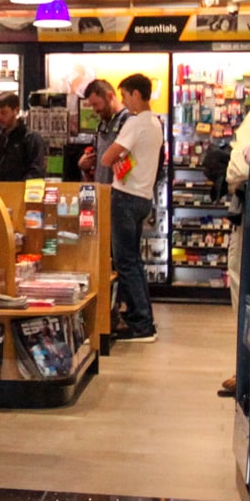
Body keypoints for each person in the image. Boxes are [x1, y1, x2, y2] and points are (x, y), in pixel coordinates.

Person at [97, 74, 165, 342]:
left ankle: (141, 324)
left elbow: (106, 157)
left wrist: (119, 156)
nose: (123, 101)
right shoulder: (155, 123)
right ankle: (143, 319)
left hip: (125, 197)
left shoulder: (135, 123)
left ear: (137, 94)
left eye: (125, 95)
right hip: (143, 197)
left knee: (126, 261)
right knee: (134, 261)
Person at [0, 92, 47, 181]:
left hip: (22, 192)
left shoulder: (32, 139)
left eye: (4, 112)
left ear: (16, 110)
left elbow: (36, 172)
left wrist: (16, 188)